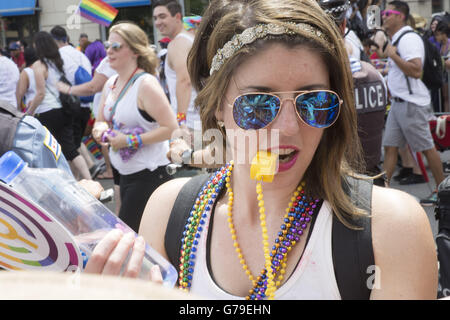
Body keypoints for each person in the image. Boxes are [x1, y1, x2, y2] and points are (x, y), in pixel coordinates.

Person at [85, 0, 437, 300]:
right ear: (217, 107)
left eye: (313, 102)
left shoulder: (390, 229)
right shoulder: (169, 212)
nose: (286, 128)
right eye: (257, 105)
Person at [91, 22, 178, 233]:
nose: (108, 51)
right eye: (107, 45)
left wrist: (130, 141)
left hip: (149, 173)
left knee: (130, 235)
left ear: (135, 51)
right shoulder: (110, 83)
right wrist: (100, 131)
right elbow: (101, 120)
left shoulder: (145, 84)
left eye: (116, 47)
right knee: (129, 230)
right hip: (123, 171)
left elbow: (171, 127)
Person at [381, 1, 444, 205]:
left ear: (400, 16)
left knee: (426, 147)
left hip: (410, 104)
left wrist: (393, 55)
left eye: (388, 13)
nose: (383, 16)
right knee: (390, 147)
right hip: (399, 104)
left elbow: (416, 71)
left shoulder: (409, 39)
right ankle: (384, 192)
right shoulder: (398, 38)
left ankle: (443, 191)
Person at [153, 1, 202, 149]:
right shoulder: (188, 39)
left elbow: (185, 81)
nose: (158, 22)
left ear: (177, 17)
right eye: (155, 18)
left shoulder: (178, 43)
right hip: (198, 119)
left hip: (191, 124)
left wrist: (181, 122)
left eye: (162, 16)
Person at [50, 26, 93, 181]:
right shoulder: (80, 54)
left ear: (54, 40)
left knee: (70, 150)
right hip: (86, 106)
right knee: (74, 146)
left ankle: (81, 182)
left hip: (70, 107)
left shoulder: (58, 56)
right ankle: (78, 181)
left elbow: (55, 83)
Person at [16, 47, 38, 112]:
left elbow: (20, 94)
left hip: (32, 108)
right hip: (47, 107)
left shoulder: (26, 72)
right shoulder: (44, 68)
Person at [434, 21, 449, 112]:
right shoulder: (440, 45)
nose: (436, 37)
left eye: (438, 35)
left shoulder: (449, 43)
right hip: (443, 75)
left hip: (447, 73)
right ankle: (446, 117)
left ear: (444, 34)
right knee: (445, 97)